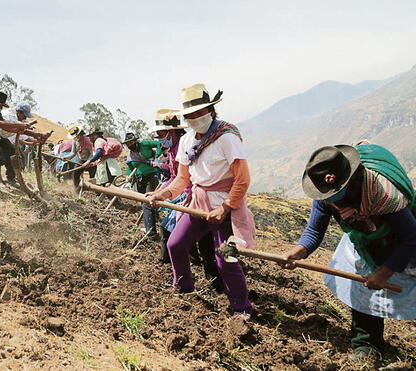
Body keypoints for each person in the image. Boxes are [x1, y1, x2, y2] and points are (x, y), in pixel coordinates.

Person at [281, 143, 416, 360]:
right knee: (360, 284)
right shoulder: (324, 196)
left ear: (354, 180)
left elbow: (410, 238)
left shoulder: (385, 193)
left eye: (340, 195)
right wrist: (298, 251)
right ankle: (367, 343)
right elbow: (315, 230)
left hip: (400, 237)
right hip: (362, 239)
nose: (336, 202)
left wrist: (385, 272)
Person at [147, 84, 255, 319]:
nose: (195, 118)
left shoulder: (227, 137)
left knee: (225, 258)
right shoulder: (186, 141)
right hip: (198, 201)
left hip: (224, 204)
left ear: (210, 110)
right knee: (175, 245)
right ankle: (184, 291)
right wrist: (162, 195)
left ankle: (241, 308)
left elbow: (243, 179)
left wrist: (225, 207)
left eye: (199, 112)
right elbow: (181, 178)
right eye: (190, 115)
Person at [121, 132, 161, 238]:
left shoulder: (145, 144)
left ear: (135, 141)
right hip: (139, 179)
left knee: (147, 202)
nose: (129, 145)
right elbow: (130, 167)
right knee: (145, 202)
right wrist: (128, 176)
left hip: (151, 176)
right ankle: (154, 219)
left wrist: (157, 157)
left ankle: (151, 233)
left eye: (131, 142)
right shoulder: (130, 155)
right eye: (127, 144)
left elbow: (158, 144)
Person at [64, 125, 95, 190]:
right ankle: (77, 189)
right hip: (81, 160)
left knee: (93, 176)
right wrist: (66, 157)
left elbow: (92, 154)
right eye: (74, 136)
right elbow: (73, 153)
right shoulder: (74, 141)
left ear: (81, 134)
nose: (76, 138)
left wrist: (88, 162)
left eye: (77, 136)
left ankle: (93, 190)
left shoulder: (88, 141)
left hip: (91, 160)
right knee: (75, 174)